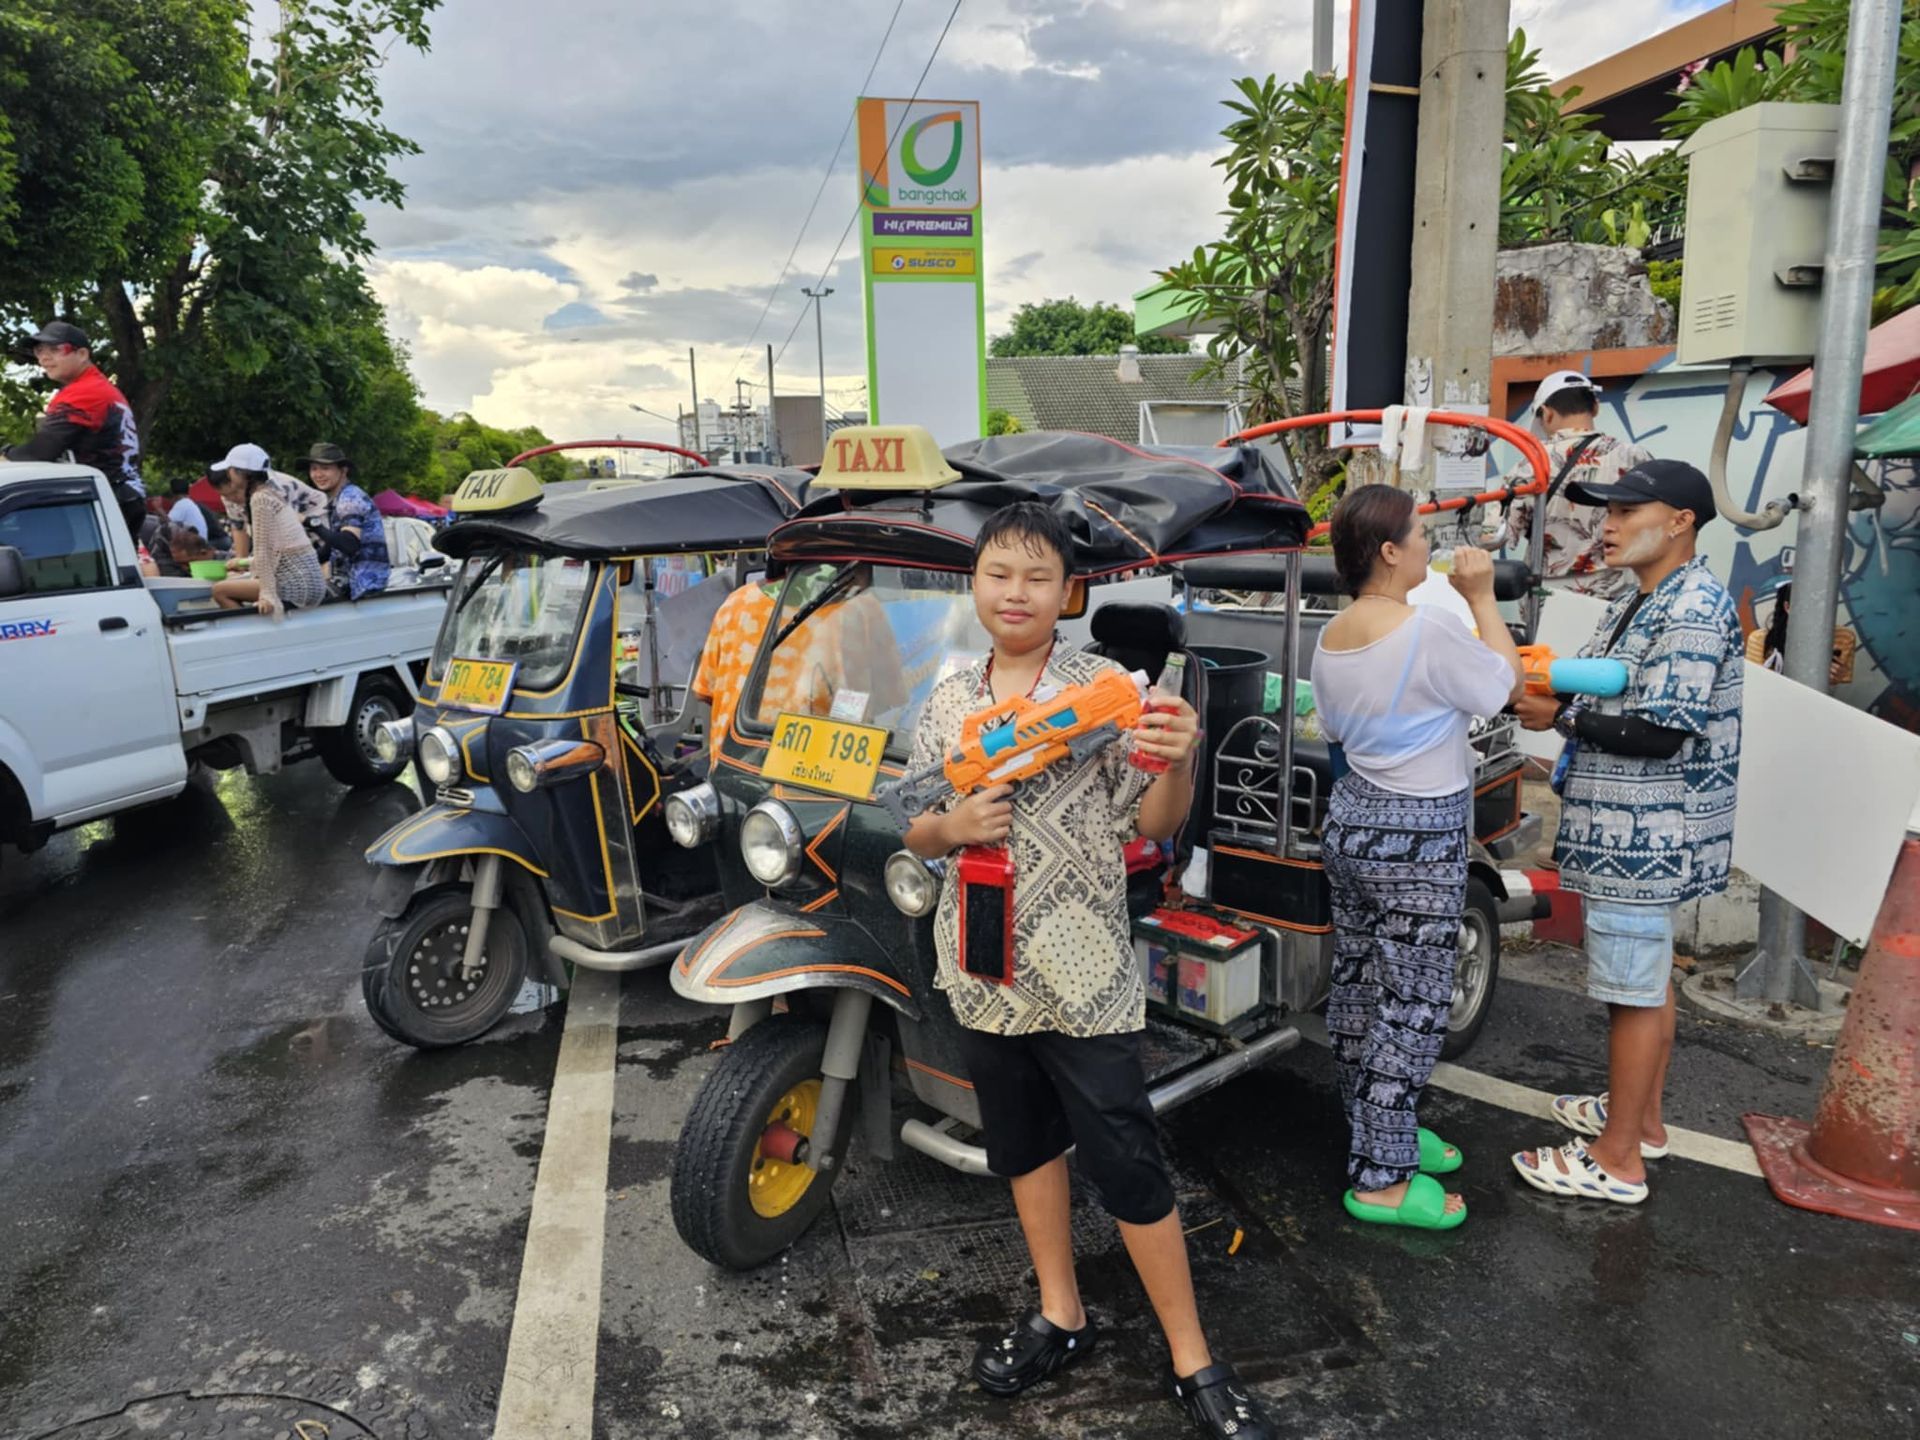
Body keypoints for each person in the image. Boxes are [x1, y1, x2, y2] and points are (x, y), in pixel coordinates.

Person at [901, 502, 1276, 1440]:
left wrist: (1178, 760)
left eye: (1036, 576)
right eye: (998, 573)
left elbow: (1153, 824)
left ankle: (1193, 1357)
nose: (1014, 592)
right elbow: (915, 821)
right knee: (1022, 1143)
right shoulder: (948, 695)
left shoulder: (1107, 687)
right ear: (974, 584)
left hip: (1084, 967)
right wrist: (955, 827)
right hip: (983, 959)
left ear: (1069, 591)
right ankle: (1060, 1314)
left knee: (1127, 1160)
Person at [1510, 459, 1742, 1205]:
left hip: (1648, 832)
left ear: (1680, 522)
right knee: (1646, 980)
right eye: (1604, 512)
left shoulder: (1692, 608)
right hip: (1629, 828)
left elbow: (1664, 732)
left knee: (1634, 990)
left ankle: (1616, 1161)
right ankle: (1640, 1121)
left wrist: (1559, 717)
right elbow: (1624, 685)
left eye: (1623, 512)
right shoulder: (1645, 597)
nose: (1605, 527)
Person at [1309, 485, 1525, 1231]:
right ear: (1390, 551)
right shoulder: (1428, 628)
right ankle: (1380, 1181)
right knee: (1414, 1006)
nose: (1430, 546)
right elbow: (1503, 688)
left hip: (1353, 824)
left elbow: (1336, 728)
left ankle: (1382, 1137)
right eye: (1421, 535)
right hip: (1419, 839)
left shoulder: (1331, 634)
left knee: (1361, 987)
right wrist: (1483, 597)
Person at [1497, 371, 1652, 601]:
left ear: (1546, 414)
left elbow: (1497, 535)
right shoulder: (1633, 457)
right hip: (1615, 588)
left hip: (1545, 592)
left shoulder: (1530, 465)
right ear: (1596, 407)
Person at [1, 321, 147, 540]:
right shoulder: (96, 387)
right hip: (118, 497)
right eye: (39, 351)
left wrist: (5, 456)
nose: (44, 357)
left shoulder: (86, 392)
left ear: (82, 353)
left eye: (55, 349)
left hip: (108, 500)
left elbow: (39, 453)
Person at [206, 445, 328, 617]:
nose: (228, 473)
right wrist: (244, 564)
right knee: (237, 584)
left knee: (219, 591)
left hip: (296, 584)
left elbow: (265, 551)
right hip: (309, 580)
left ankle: (251, 636)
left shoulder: (260, 500)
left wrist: (267, 595)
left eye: (230, 469)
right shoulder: (270, 492)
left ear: (242, 474)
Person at [297, 442, 390, 599]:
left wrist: (309, 522)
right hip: (352, 584)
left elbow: (349, 544)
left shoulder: (350, 498)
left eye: (325, 468)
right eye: (314, 468)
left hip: (361, 586)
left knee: (287, 596)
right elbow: (330, 549)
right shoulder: (339, 499)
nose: (318, 474)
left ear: (343, 470)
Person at [218, 453, 328, 561]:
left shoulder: (278, 488)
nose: (232, 498)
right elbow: (239, 527)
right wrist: (241, 562)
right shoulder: (246, 492)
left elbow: (286, 536)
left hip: (315, 539)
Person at [166, 475, 210, 541]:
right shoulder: (188, 503)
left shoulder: (181, 504)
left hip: (194, 545)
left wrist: (158, 509)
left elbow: (167, 522)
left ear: (172, 492)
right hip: (200, 541)